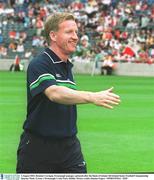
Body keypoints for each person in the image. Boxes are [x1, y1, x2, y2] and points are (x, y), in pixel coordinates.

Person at [16, 12, 121, 173]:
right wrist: (92, 97)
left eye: (76, 32)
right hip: (38, 149)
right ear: (53, 35)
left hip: (69, 147)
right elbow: (54, 93)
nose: (75, 37)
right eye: (69, 32)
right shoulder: (40, 63)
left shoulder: (67, 66)